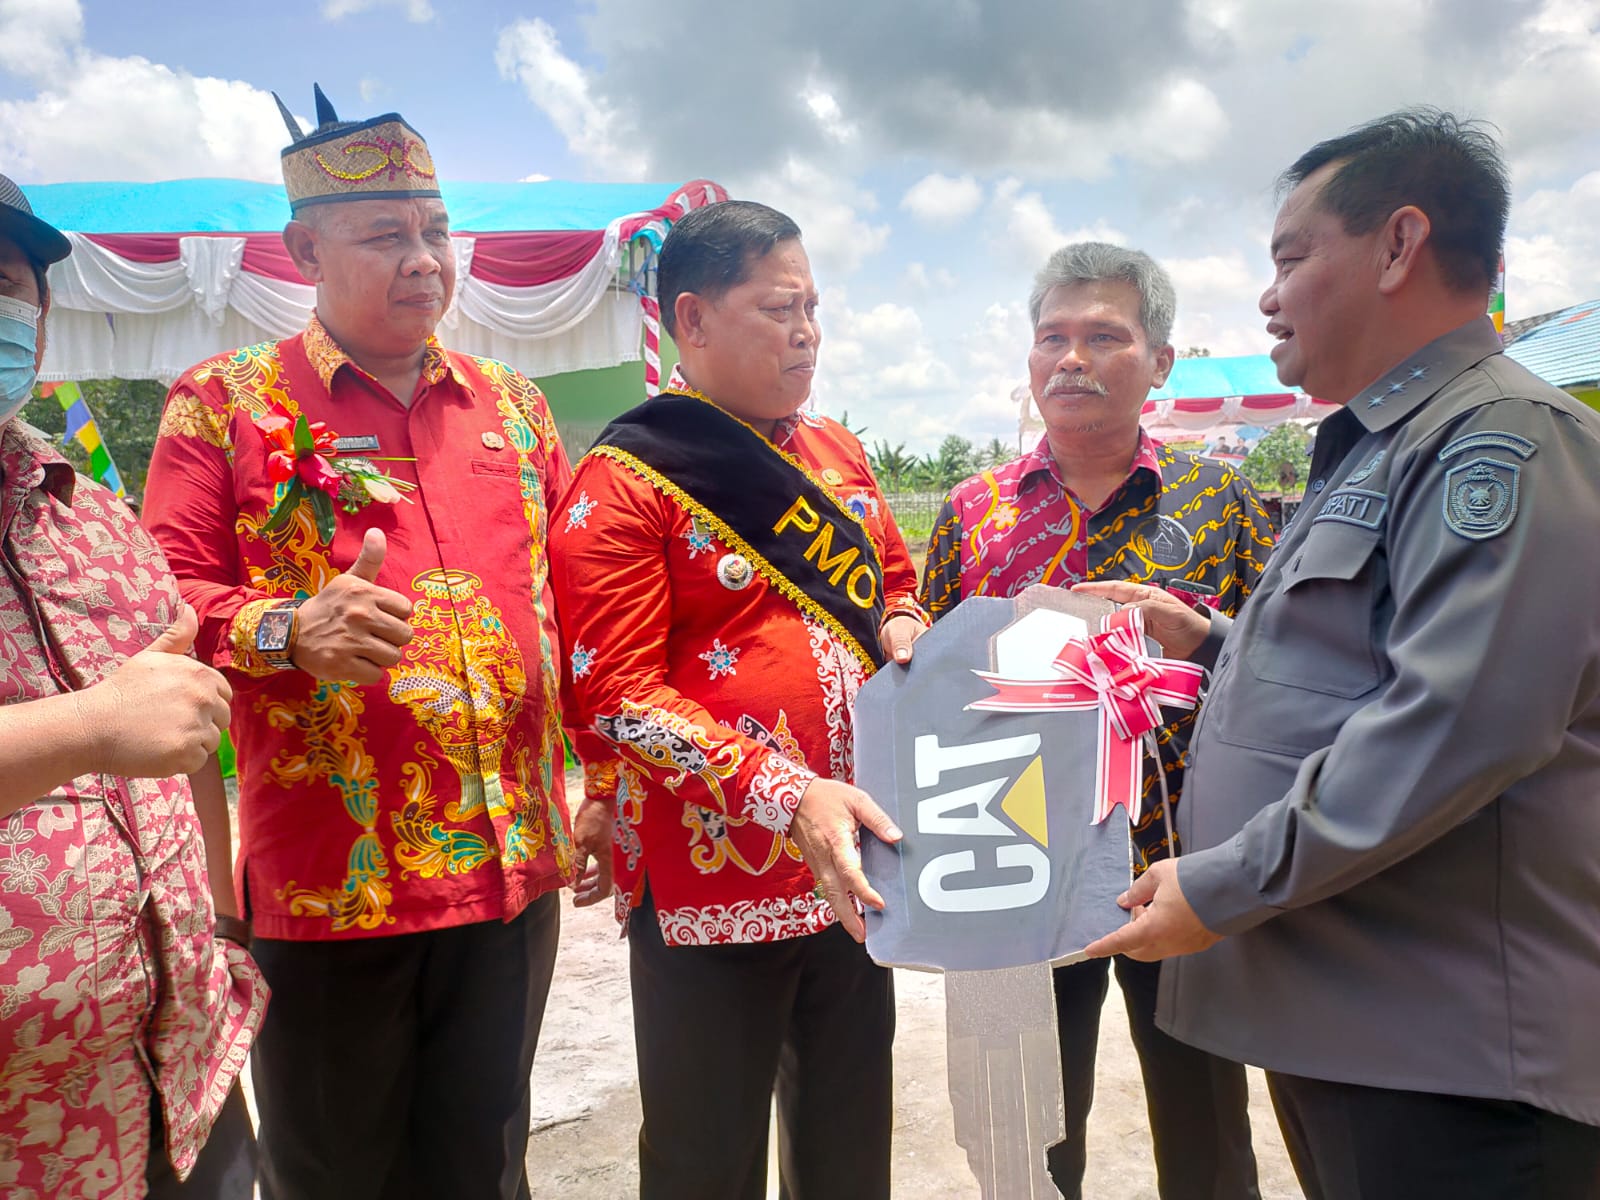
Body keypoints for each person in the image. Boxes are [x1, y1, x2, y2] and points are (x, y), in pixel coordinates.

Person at [1083, 109, 1600, 1200]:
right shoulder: (1386, 441)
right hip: (1361, 1035)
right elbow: (1361, 669)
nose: (1268, 296)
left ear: (1398, 245)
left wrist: (1221, 886)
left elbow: (1458, 725)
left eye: (1289, 257)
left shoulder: (1500, 441)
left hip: (1451, 1066)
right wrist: (1210, 642)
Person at [141, 87, 574, 1200]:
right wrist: (289, 628)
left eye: (436, 231)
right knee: (336, 1175)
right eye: (386, 234)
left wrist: (605, 783)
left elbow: (570, 605)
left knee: (485, 1168)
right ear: (301, 250)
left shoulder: (517, 409)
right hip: (331, 882)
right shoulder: (222, 406)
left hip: (510, 865)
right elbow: (160, 607)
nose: (423, 258)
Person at [548, 199, 927, 1200]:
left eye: (812, 308)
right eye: (776, 309)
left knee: (849, 1144)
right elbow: (615, 698)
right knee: (705, 1159)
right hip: (710, 882)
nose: (806, 331)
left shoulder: (836, 456)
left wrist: (902, 624)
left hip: (855, 866)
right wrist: (785, 791)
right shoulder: (621, 482)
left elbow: (895, 580)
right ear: (693, 320)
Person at [921, 241, 1272, 1200]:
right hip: (1017, 869)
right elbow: (934, 693)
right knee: (1027, 1136)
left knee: (1205, 1128)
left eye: (1104, 337)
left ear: (1160, 361)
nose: (1070, 359)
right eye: (1052, 338)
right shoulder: (971, 512)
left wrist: (1201, 635)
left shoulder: (1221, 501)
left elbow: (1279, 673)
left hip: (1183, 865)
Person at [0, 174, 265, 1197]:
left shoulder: (98, 521)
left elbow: (181, 726)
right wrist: (87, 726)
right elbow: (121, 723)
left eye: (4, 278)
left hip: (181, 1075)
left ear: (43, 310)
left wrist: (224, 925)